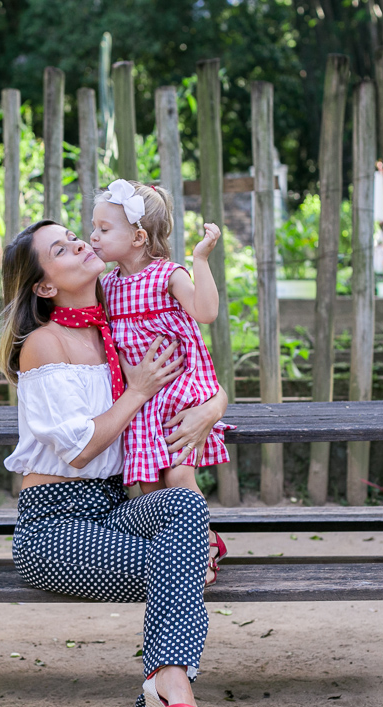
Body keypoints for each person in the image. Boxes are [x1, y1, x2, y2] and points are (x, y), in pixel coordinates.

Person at [0, 220, 230, 707]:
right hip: (52, 529)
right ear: (45, 287)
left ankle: (165, 698)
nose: (79, 243)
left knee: (182, 508)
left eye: (74, 236)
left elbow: (195, 368)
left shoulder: (116, 325)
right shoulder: (43, 344)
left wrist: (215, 405)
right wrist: (137, 392)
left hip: (110, 510)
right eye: (60, 248)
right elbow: (78, 450)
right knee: (177, 562)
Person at [91, 179, 230, 586]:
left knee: (180, 476)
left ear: (137, 237)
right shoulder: (108, 285)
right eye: (94, 227)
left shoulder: (168, 275)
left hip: (178, 392)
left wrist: (200, 260)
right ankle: (173, 556)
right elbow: (107, 339)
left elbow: (204, 312)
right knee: (150, 487)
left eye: (103, 229)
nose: (93, 236)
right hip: (141, 399)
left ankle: (203, 550)